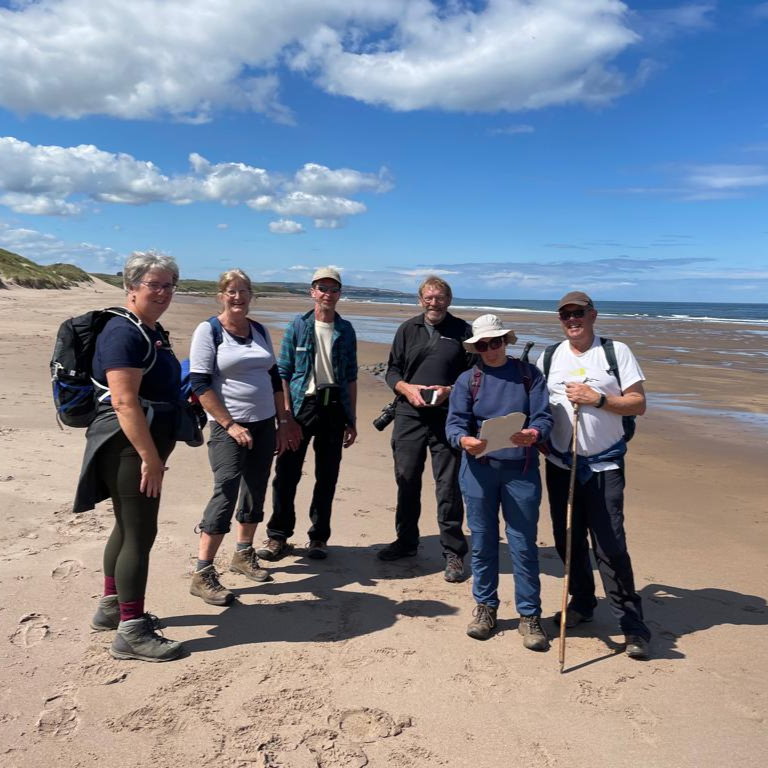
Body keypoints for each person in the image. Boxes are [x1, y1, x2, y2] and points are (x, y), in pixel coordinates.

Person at [74, 251, 184, 662]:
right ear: (131, 287)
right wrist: (149, 457)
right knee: (140, 534)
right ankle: (132, 631)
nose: (162, 292)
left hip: (135, 446)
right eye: (153, 284)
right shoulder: (123, 332)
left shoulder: (147, 329)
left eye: (168, 284)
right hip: (128, 447)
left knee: (125, 526)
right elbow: (123, 401)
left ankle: (110, 608)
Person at [537, 291, 651, 659]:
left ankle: (632, 625)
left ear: (593, 315)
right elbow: (537, 404)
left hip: (604, 466)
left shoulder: (615, 353)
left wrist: (597, 399)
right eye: (565, 315)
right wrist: (538, 437)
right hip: (560, 465)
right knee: (567, 540)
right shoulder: (549, 356)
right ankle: (583, 603)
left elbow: (638, 403)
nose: (572, 319)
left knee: (610, 545)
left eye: (578, 313)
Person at [187, 269, 296, 606]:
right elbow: (200, 383)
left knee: (256, 487)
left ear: (251, 295)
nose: (238, 297)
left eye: (244, 291)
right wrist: (228, 424)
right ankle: (203, 572)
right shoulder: (209, 330)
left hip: (264, 423)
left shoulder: (260, 330)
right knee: (226, 489)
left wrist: (283, 420)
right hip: (227, 426)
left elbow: (275, 378)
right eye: (232, 291)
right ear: (221, 295)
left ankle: (243, 553)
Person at [446, 315, 553, 649]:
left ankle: (529, 615)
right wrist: (465, 441)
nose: (490, 350)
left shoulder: (529, 375)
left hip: (520, 472)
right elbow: (454, 424)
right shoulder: (468, 380)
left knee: (522, 543)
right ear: (475, 348)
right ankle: (485, 608)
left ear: (506, 341)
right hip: (478, 470)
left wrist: (533, 434)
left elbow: (544, 417)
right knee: (483, 541)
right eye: (482, 345)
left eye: (495, 342)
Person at [256, 267, 357, 561]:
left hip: (334, 407)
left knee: (327, 476)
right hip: (301, 408)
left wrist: (352, 419)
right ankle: (278, 536)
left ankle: (318, 537)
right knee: (286, 473)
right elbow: (283, 373)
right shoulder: (297, 326)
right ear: (312, 291)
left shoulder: (346, 330)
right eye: (322, 288)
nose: (328, 294)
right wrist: (285, 416)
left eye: (333, 289)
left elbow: (350, 376)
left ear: (339, 294)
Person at [378, 276, 472, 582]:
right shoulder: (408, 329)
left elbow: (474, 375)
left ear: (449, 299)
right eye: (429, 297)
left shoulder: (462, 331)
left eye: (440, 297)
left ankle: (454, 552)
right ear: (421, 300)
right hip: (408, 415)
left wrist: (448, 390)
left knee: (448, 486)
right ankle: (406, 542)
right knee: (406, 480)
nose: (434, 302)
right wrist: (405, 388)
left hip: (448, 417)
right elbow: (391, 370)